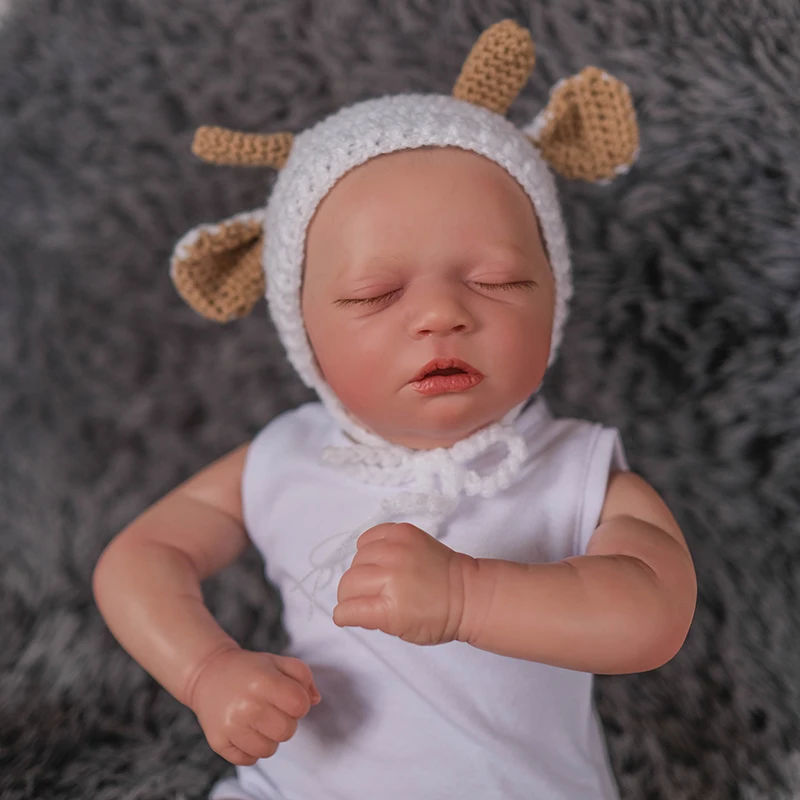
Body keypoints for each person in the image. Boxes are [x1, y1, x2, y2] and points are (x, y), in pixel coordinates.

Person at [93, 20, 697, 800]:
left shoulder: (576, 472)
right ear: (303, 330)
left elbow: (653, 613)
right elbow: (142, 557)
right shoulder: (285, 455)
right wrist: (206, 670)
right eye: (375, 295)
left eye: (495, 281)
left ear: (554, 295)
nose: (441, 315)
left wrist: (469, 595)